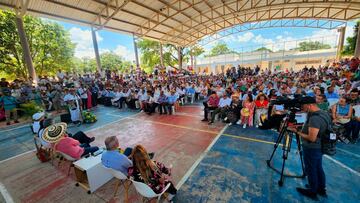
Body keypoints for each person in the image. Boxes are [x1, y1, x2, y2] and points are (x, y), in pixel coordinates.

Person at [288, 96, 330, 200]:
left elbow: (311, 137)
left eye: (303, 107)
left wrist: (297, 132)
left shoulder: (314, 118)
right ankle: (320, 188)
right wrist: (302, 127)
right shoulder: (324, 113)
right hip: (320, 146)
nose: (302, 109)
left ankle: (312, 191)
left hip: (312, 147)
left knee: (311, 169)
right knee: (318, 168)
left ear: (310, 105)